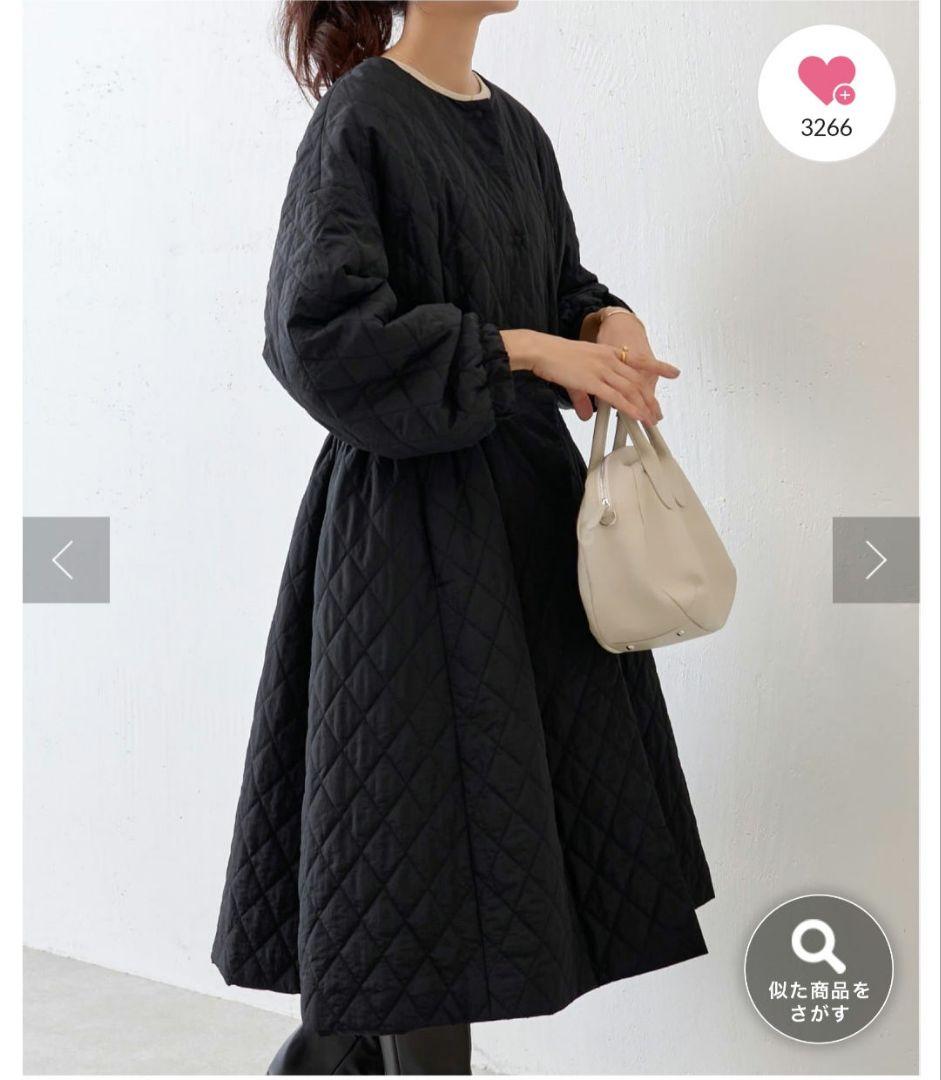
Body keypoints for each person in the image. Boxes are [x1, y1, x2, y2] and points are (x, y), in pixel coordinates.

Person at [212, 1, 714, 1073]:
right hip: (406, 530)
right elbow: (315, 331)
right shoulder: (361, 117)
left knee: (441, 842)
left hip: (523, 526)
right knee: (409, 843)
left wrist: (603, 322)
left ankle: (322, 1061)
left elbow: (554, 286)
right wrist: (525, 351)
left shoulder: (513, 126)